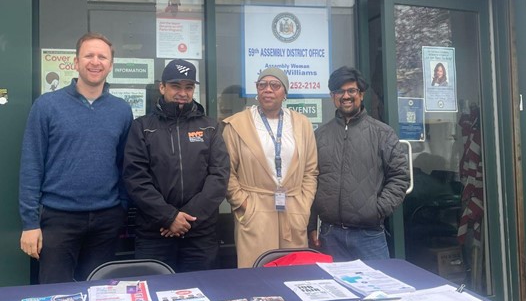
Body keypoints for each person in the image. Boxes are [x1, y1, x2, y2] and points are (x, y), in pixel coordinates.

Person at [19, 32, 133, 283]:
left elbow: (124, 164)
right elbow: (31, 165)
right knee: (54, 295)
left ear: (110, 65)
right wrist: (29, 223)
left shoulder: (122, 110)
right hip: (59, 219)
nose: (95, 61)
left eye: (102, 56)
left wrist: (121, 206)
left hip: (107, 219)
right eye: (89, 55)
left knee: (99, 294)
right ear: (75, 62)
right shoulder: (47, 106)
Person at [123, 59, 229, 272]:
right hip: (156, 233)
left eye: (188, 87)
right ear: (162, 87)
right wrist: (169, 217)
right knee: (154, 295)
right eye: (175, 86)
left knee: (203, 295)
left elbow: (219, 176)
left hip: (200, 234)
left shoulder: (210, 126)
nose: (183, 92)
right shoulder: (142, 127)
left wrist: (185, 219)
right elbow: (135, 178)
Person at [308, 66, 409, 261]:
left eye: (351, 90)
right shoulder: (320, 136)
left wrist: (376, 210)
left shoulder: (382, 133)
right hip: (330, 236)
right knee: (333, 291)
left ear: (361, 94)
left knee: (378, 291)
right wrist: (311, 226)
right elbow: (310, 181)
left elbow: (400, 177)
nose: (346, 96)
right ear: (332, 96)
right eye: (339, 91)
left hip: (369, 236)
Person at [222, 67, 318, 268]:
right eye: (262, 85)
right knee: (255, 276)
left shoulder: (302, 124)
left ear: (285, 92)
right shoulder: (237, 125)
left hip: (293, 210)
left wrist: (304, 204)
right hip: (255, 210)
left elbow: (310, 171)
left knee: (293, 275)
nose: (268, 89)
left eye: (275, 85)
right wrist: (245, 205)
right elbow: (226, 172)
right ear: (256, 90)